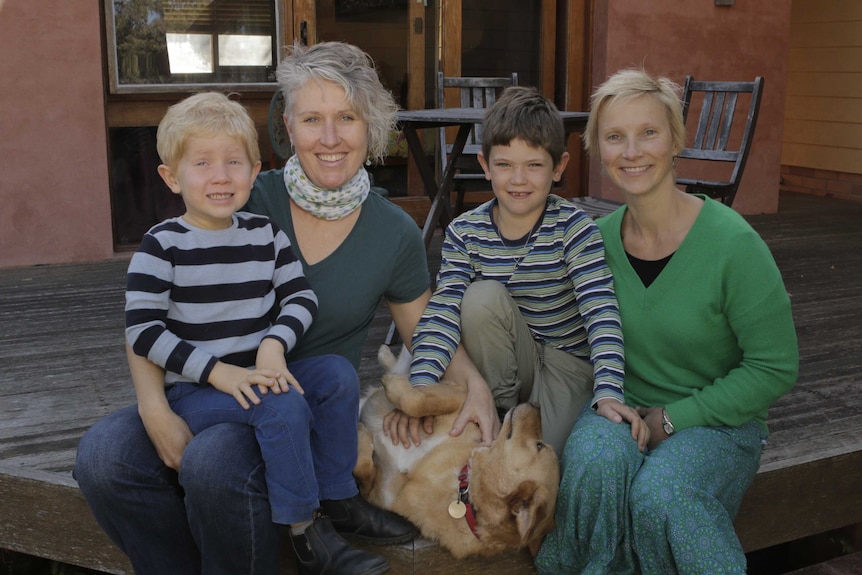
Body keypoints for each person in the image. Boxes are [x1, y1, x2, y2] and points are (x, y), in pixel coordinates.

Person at [74, 41, 478, 575]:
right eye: (313, 119)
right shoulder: (240, 193)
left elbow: (426, 329)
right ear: (288, 126)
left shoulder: (393, 231)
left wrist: (478, 394)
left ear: (373, 128)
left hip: (301, 402)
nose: (329, 139)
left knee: (215, 462)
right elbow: (146, 320)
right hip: (207, 385)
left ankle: (318, 520)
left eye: (347, 119)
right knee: (102, 456)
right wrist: (155, 409)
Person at [535, 69, 799, 574]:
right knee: (591, 465)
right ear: (599, 150)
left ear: (676, 139)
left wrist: (674, 418)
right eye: (615, 137)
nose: (631, 151)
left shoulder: (733, 244)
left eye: (648, 132)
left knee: (663, 494)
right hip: (621, 408)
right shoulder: (595, 243)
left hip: (719, 423)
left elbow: (775, 367)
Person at [126, 89, 328, 542]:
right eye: (201, 164)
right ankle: (304, 530)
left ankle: (337, 495)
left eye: (234, 162)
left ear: (255, 172)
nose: (220, 176)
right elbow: (143, 331)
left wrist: (274, 347)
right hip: (196, 391)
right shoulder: (161, 245)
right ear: (171, 177)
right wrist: (218, 373)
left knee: (335, 375)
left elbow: (301, 297)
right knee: (280, 405)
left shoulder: (265, 234)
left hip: (257, 372)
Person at [408, 85, 637, 455]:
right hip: (507, 361)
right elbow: (444, 310)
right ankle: (500, 410)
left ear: (559, 166)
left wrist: (608, 388)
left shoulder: (575, 229)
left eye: (534, 165)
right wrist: (421, 389)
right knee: (479, 297)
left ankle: (522, 433)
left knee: (545, 458)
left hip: (567, 365)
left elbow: (601, 310)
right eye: (504, 165)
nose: (518, 179)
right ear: (485, 166)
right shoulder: (465, 232)